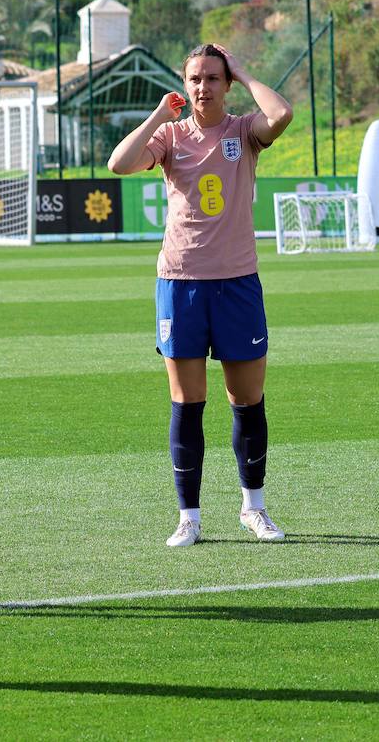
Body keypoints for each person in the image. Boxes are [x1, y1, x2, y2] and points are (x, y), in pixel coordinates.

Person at [108, 43, 293, 548]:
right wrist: (156, 114)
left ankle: (253, 507)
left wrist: (246, 68)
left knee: (247, 400)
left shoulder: (242, 132)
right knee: (187, 403)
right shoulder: (169, 135)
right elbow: (119, 163)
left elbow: (282, 113)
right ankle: (188, 516)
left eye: (213, 78)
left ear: (226, 83)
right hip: (181, 283)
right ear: (184, 84)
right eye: (195, 79)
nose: (202, 87)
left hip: (237, 283)